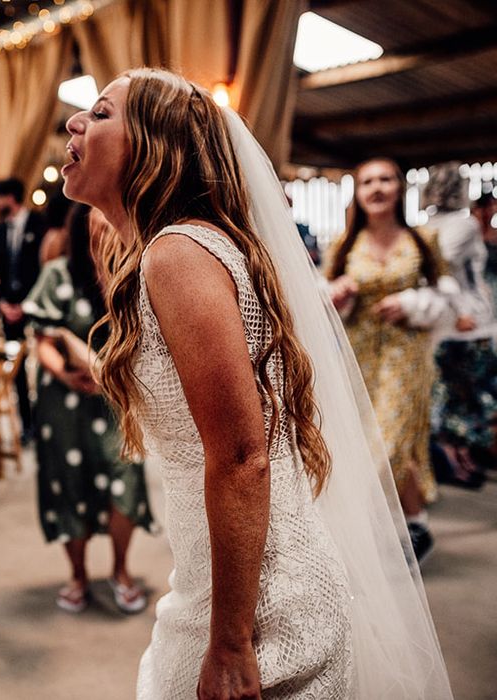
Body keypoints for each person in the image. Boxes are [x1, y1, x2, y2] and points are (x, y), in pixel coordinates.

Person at [62, 68, 452, 699]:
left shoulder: (178, 253)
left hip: (264, 609)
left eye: (102, 113)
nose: (76, 122)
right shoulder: (175, 251)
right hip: (217, 584)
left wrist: (232, 644)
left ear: (158, 146)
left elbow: (245, 457)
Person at [23, 204, 155, 614]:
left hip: (116, 400)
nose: (107, 233)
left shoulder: (132, 277)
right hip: (64, 401)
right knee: (69, 483)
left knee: (124, 480)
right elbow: (42, 340)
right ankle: (77, 575)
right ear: (82, 231)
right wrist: (67, 373)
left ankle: (121, 571)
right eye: (98, 226)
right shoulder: (58, 275)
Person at [325, 157, 448, 562]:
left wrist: (414, 302)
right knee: (370, 441)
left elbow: (447, 296)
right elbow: (321, 299)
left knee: (391, 441)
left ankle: (359, 529)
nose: (377, 188)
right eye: (367, 182)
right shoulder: (343, 244)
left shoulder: (423, 240)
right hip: (359, 358)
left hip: (406, 356)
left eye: (386, 179)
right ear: (357, 194)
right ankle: (416, 524)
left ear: (400, 187)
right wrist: (337, 296)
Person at [425, 164, 497, 487]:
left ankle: (458, 458)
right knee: (471, 396)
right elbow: (441, 266)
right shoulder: (464, 225)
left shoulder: (426, 225)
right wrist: (457, 313)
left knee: (451, 394)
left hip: (446, 325)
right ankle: (458, 459)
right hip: (469, 323)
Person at [0, 177, 46, 442]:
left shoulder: (38, 223)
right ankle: (27, 424)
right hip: (9, 307)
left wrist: (27, 304)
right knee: (18, 368)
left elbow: (45, 267)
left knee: (44, 362)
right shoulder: (0, 230)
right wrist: (2, 302)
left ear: (10, 197)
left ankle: (45, 421)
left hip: (35, 305)